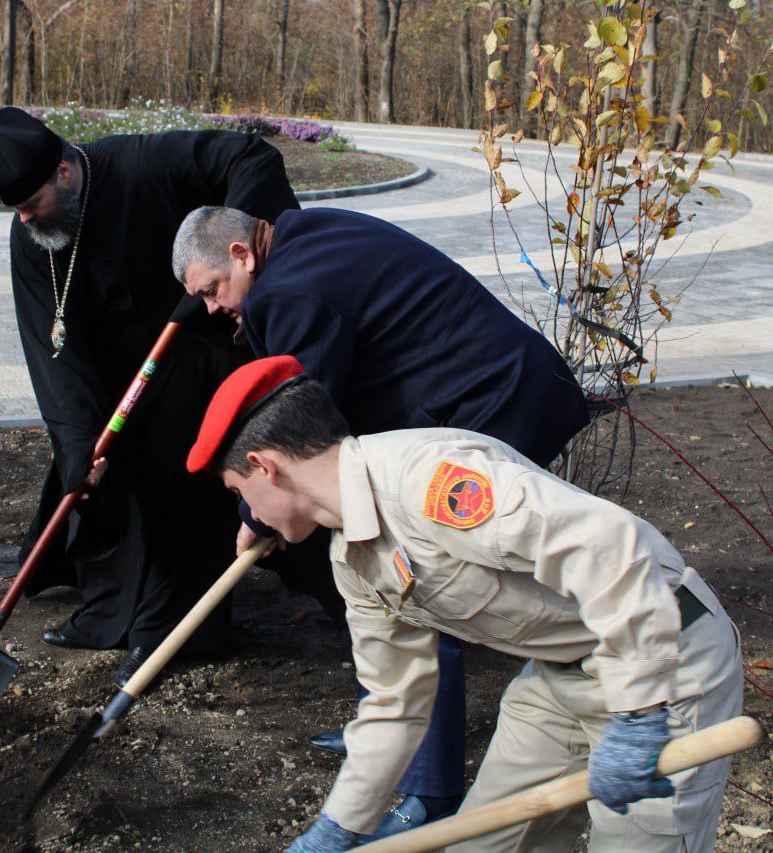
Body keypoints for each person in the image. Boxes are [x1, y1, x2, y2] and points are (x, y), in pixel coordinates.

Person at [187, 356, 743, 852]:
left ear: (265, 466)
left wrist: (639, 712)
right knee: (482, 844)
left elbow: (609, 546)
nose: (249, 511)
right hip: (561, 674)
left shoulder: (426, 481)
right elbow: (393, 702)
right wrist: (338, 827)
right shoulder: (353, 559)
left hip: (665, 658)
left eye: (239, 492)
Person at [172, 204, 590, 835]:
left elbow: (301, 430)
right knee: (387, 558)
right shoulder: (304, 235)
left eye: (212, 289)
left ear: (240, 254)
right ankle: (389, 735)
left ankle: (427, 790)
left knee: (417, 573)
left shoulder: (288, 291)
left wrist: (255, 514)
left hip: (496, 396)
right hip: (486, 388)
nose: (211, 307)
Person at [0, 107, 300, 686]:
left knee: (181, 471)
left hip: (199, 348)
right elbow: (52, 350)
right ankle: (110, 614)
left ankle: (172, 630)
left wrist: (220, 262)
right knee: (94, 473)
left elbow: (253, 158)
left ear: (64, 173)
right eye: (13, 209)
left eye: (30, 203)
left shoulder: (142, 163)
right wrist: (77, 439)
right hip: (118, 374)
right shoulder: (33, 239)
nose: (24, 219)